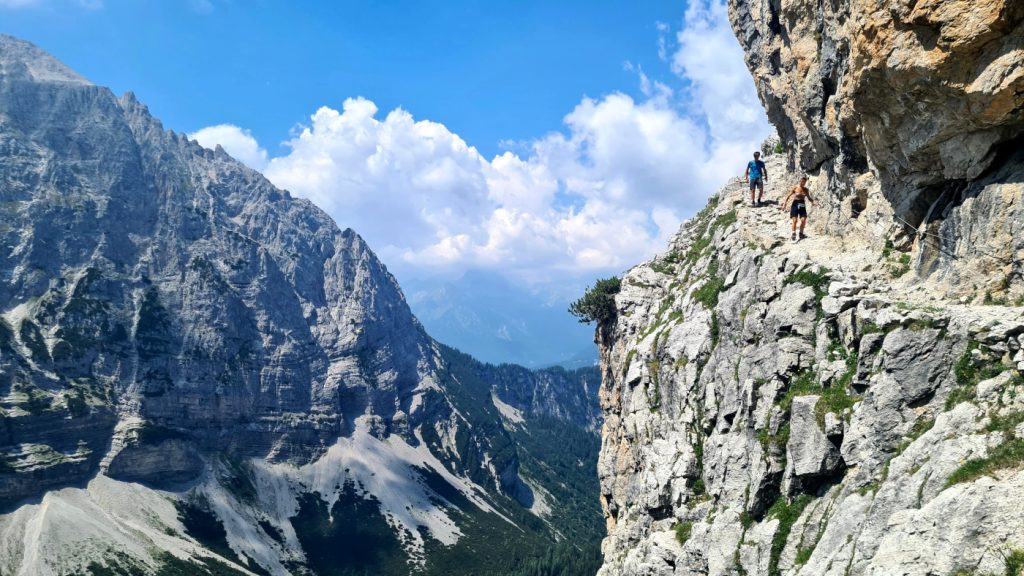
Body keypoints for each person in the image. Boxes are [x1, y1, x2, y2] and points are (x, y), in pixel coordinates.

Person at [779, 176, 814, 241]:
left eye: (803, 182)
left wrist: (813, 202)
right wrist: (784, 204)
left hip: (802, 205)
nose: (802, 183)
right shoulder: (796, 188)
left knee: (803, 220)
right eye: (801, 181)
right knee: (795, 220)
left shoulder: (806, 190)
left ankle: (801, 234)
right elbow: (788, 196)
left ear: (805, 182)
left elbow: (809, 198)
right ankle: (793, 233)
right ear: (799, 181)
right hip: (795, 204)